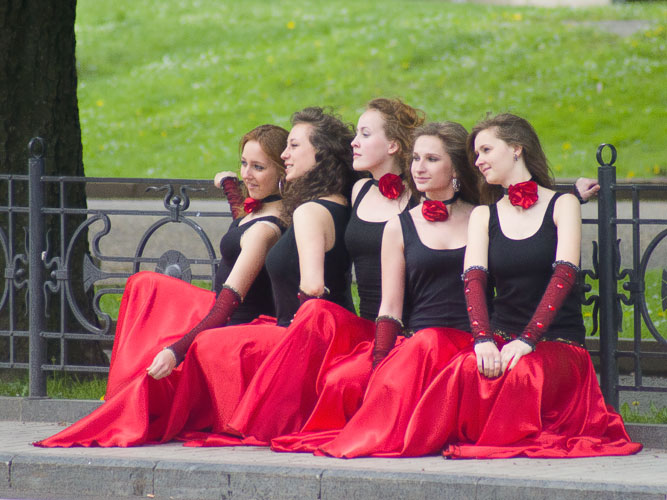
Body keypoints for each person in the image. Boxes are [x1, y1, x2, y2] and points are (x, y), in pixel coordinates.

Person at [383, 113, 642, 458]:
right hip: (503, 338)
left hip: (556, 341)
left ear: (517, 148)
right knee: (462, 372)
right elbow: (473, 280)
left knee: (523, 374)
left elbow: (564, 275)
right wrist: (483, 340)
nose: (478, 161)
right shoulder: (484, 214)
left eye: (486, 150)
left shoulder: (562, 204)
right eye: (475, 154)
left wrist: (526, 341)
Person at [34, 124, 289, 447]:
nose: (247, 174)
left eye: (258, 167)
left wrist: (176, 352)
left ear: (282, 171)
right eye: (244, 164)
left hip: (231, 320)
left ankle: (127, 397)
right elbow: (241, 218)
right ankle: (119, 392)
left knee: (157, 322)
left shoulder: (266, 230)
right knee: (145, 285)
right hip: (217, 306)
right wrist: (230, 188)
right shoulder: (260, 208)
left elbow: (227, 306)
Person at [270, 122, 482, 456]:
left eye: (432, 159)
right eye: (416, 159)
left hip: (469, 342)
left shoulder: (483, 217)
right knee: (343, 381)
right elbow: (391, 306)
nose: (420, 167)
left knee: (426, 346)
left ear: (456, 167)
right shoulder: (400, 224)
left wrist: (575, 195)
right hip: (418, 341)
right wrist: (380, 361)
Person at [221, 98, 426, 443]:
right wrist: (237, 192)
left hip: (409, 323)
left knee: (313, 327)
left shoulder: (419, 197)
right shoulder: (360, 190)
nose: (354, 142)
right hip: (364, 321)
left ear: (392, 144)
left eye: (364, 134)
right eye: (354, 134)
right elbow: (316, 187)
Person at [158, 107, 361, 445]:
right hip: (317, 328)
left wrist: (291, 349)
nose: (286, 153)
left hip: (302, 335)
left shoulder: (310, 212)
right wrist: (231, 189)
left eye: (294, 146)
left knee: (210, 344)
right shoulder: (336, 201)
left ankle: (219, 418)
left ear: (320, 155)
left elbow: (312, 287)